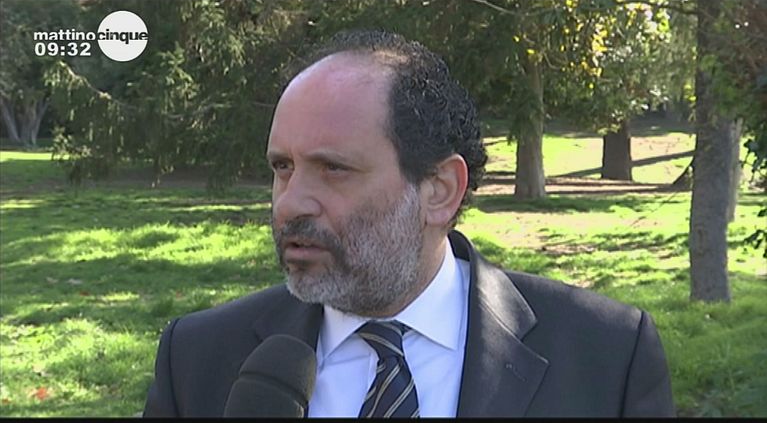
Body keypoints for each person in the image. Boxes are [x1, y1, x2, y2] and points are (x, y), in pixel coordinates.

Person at [143, 29, 675, 417]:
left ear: (439, 191)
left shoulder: (606, 355)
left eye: (333, 169)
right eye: (283, 167)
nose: (290, 203)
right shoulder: (198, 357)